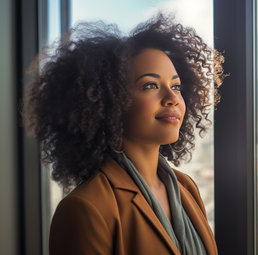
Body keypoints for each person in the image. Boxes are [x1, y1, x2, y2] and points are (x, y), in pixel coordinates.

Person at [21, 12, 226, 255]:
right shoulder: (86, 208)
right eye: (150, 85)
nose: (172, 99)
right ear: (111, 100)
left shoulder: (186, 188)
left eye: (176, 86)